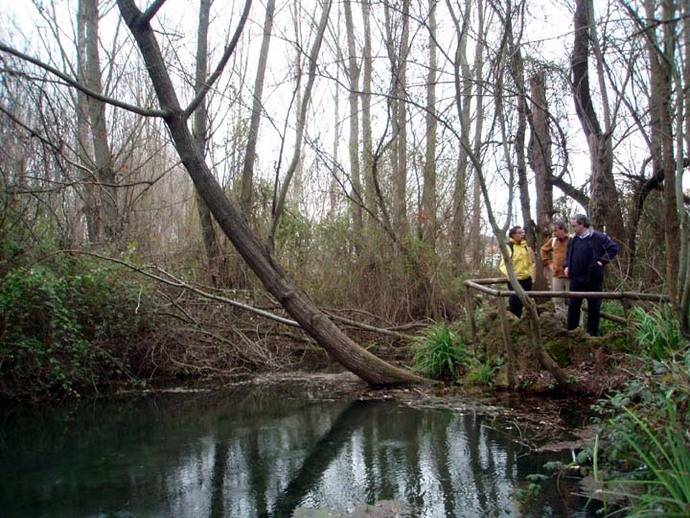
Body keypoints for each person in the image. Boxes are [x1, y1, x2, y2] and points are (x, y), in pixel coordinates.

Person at [564, 214, 619, 336]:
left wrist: (601, 261)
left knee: (594, 309)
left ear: (582, 225)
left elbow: (613, 248)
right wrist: (567, 266)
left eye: (574, 226)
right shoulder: (573, 239)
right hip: (576, 279)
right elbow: (568, 254)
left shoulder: (598, 237)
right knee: (573, 307)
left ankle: (592, 335)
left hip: (593, 279)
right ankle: (572, 333)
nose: (573, 228)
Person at [499, 226, 535, 317]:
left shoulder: (525, 246)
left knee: (528, 302)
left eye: (522, 232)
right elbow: (503, 265)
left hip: (526, 279)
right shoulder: (509, 247)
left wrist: (532, 276)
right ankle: (515, 323)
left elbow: (530, 263)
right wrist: (511, 276)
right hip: (515, 280)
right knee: (515, 303)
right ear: (513, 235)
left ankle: (528, 322)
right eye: (519, 233)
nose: (522, 235)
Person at [540, 220, 570, 314]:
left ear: (563, 230)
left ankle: (576, 325)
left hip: (571, 275)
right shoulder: (553, 241)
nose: (554, 233)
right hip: (557, 275)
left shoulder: (572, 240)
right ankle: (560, 322)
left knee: (573, 300)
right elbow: (543, 250)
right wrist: (548, 263)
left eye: (556, 230)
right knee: (557, 301)